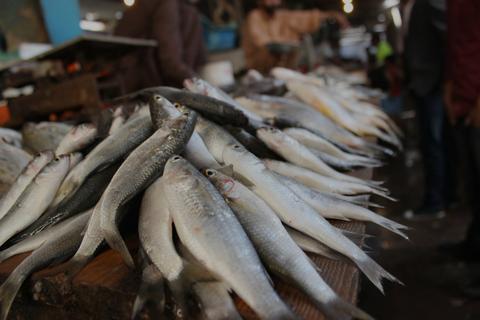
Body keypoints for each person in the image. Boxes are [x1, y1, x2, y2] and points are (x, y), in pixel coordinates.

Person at [402, 0, 451, 220]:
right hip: (422, 85)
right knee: (430, 143)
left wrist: (442, 81)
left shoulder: (429, 3)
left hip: (431, 85)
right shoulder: (411, 6)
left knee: (434, 143)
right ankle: (441, 197)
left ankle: (436, 202)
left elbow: (446, 39)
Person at [442, 0, 480, 258]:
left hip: (477, 102)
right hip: (461, 99)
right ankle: (475, 244)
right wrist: (448, 86)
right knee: (473, 183)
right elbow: (454, 44)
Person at [114, 0, 206, 90]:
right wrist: (200, 85)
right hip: (138, 83)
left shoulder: (187, 9)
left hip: (135, 78)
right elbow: (170, 61)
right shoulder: (168, 4)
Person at [242, 0, 349, 73]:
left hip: (284, 72)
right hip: (261, 73)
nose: (273, 1)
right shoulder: (254, 17)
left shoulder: (281, 16)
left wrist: (333, 14)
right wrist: (286, 43)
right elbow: (263, 42)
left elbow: (306, 17)